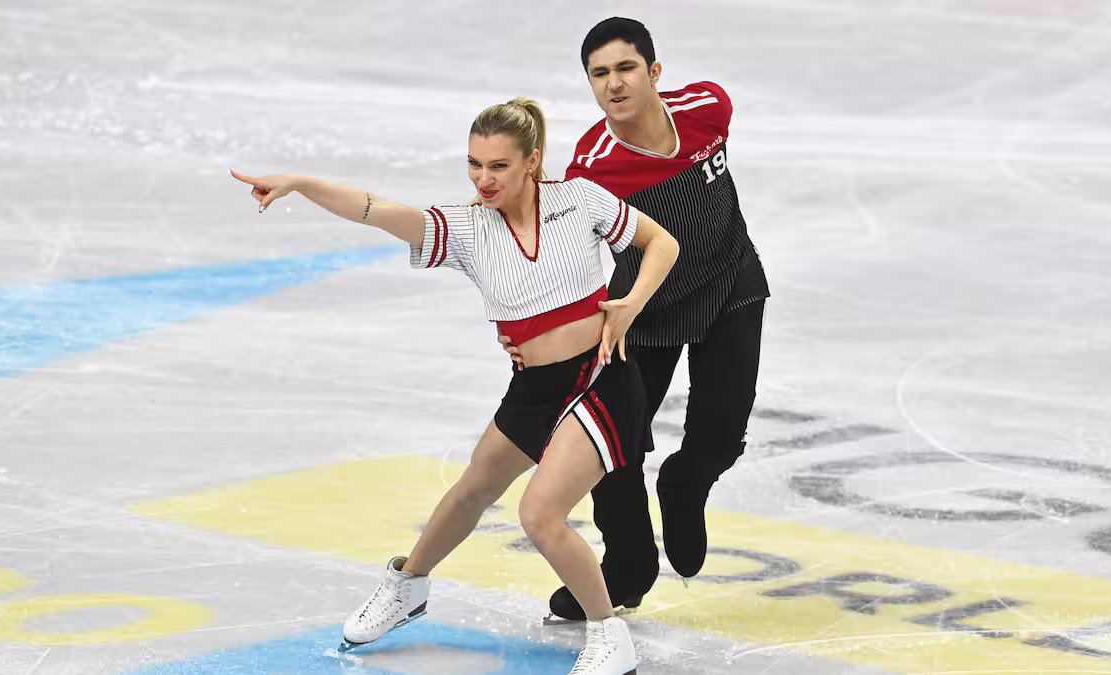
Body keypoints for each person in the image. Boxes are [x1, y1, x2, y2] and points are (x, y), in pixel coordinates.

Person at [231, 96, 678, 675]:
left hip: (601, 378)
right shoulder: (465, 229)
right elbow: (373, 209)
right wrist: (300, 182)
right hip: (535, 388)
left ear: (531, 162)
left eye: (497, 165)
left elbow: (661, 243)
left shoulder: (579, 199)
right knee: (472, 488)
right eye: (474, 164)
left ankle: (608, 635)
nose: (483, 178)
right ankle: (407, 585)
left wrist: (629, 305)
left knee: (540, 514)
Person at [501, 18, 770, 621]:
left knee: (722, 435)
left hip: (731, 284)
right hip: (640, 309)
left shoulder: (708, 107)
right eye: (600, 75)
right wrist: (532, 328)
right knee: (610, 443)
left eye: (625, 69)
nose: (614, 84)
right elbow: (553, 251)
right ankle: (626, 568)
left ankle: (685, 483)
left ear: (652, 73)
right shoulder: (594, 166)